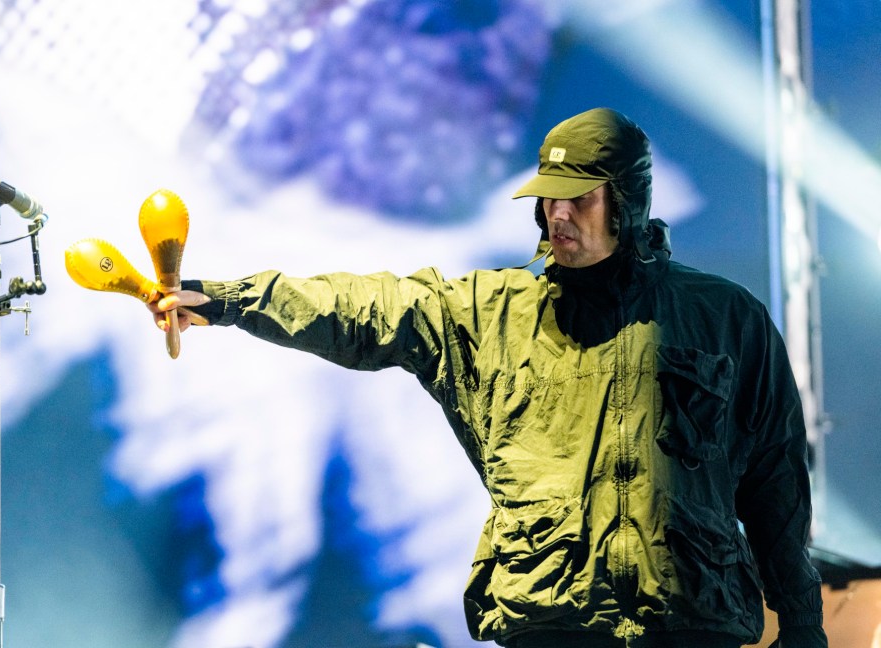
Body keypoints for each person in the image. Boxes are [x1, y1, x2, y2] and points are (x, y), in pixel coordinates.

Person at [149, 108, 827, 647]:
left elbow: (776, 484)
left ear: (628, 200)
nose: (558, 214)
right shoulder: (487, 316)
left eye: (579, 198)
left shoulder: (724, 319)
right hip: (552, 628)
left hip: (691, 629)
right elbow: (358, 308)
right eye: (548, 198)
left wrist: (801, 626)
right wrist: (226, 301)